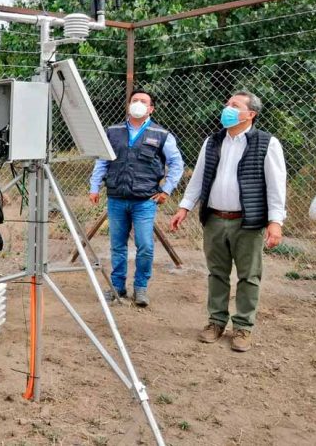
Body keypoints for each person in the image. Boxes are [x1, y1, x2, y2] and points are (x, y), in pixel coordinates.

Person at [170, 90, 286, 352]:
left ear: (250, 114)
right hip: (214, 219)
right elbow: (199, 178)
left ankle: (243, 327)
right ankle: (216, 322)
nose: (227, 108)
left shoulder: (267, 143)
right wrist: (184, 207)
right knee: (217, 274)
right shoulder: (212, 141)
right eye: (227, 103)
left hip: (247, 222)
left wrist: (275, 221)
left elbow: (276, 185)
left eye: (234, 105)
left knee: (249, 277)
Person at [89, 88, 184, 307]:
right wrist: (94, 187)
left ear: (151, 108)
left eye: (143, 101)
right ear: (129, 105)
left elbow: (177, 164)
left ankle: (140, 288)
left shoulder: (162, 135)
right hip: (116, 198)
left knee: (145, 246)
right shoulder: (112, 131)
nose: (138, 103)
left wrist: (166, 189)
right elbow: (102, 160)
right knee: (117, 246)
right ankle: (117, 287)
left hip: (145, 201)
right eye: (135, 100)